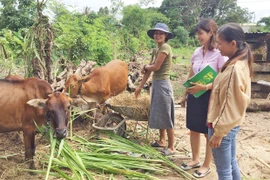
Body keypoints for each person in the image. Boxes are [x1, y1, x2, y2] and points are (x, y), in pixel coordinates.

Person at [179, 19, 226, 178]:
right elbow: (192, 73)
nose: (198, 36)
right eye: (197, 34)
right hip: (194, 94)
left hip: (210, 97)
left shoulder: (219, 53)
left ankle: (207, 164)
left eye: (201, 33)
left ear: (211, 32)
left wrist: (205, 87)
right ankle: (195, 159)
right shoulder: (197, 52)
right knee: (193, 127)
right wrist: (185, 93)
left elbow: (222, 79)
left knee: (207, 131)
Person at [208, 23, 253, 180]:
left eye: (220, 43)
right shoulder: (240, 63)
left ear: (233, 43)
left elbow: (229, 104)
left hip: (223, 126)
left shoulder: (234, 69)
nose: (217, 46)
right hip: (232, 124)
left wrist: (218, 133)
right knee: (231, 163)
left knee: (224, 171)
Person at [135, 22, 175, 156]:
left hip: (163, 84)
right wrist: (139, 87)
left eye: (161, 33)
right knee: (159, 113)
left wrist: (146, 66)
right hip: (156, 84)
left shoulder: (165, 47)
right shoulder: (156, 49)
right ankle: (162, 140)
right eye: (156, 33)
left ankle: (171, 146)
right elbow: (148, 70)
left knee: (166, 115)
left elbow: (155, 67)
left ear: (166, 35)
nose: (158, 35)